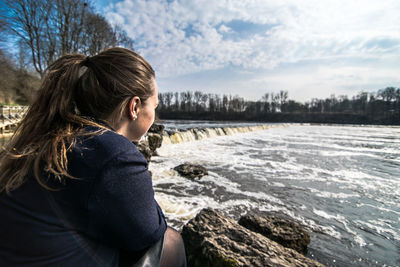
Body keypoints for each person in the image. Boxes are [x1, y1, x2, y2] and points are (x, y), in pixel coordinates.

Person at [0, 47, 186, 267]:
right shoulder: (111, 154)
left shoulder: (53, 137)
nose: (154, 115)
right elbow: (151, 231)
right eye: (154, 106)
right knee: (172, 242)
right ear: (134, 107)